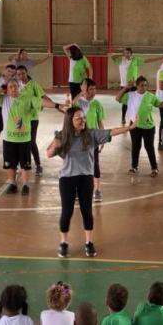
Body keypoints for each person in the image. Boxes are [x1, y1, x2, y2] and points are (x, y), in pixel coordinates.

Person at [47, 107, 135, 258]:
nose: (83, 121)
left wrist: (129, 127)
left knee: (86, 211)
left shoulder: (91, 134)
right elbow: (49, 154)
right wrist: (55, 144)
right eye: (79, 119)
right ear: (70, 121)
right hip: (67, 179)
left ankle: (88, 243)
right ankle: (64, 243)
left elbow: (111, 131)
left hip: (86, 178)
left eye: (84, 118)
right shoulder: (62, 136)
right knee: (66, 212)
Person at [0, 78, 64, 195]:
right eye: (10, 87)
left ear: (19, 87)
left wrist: (56, 105)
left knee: (25, 164)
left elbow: (42, 102)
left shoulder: (28, 98)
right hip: (8, 139)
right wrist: (2, 87)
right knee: (10, 164)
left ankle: (25, 185)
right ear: (7, 90)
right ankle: (12, 184)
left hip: (24, 139)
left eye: (15, 86)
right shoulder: (3, 99)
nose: (13, 89)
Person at [116, 76, 163, 177]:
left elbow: (159, 104)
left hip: (148, 127)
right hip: (134, 126)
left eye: (146, 85)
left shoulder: (150, 96)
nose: (144, 87)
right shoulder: (130, 95)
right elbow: (117, 98)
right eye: (142, 85)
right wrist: (125, 88)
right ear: (137, 86)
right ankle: (134, 167)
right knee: (135, 147)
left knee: (149, 147)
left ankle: (154, 168)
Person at [16, 65, 63, 176]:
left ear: (27, 73)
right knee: (20, 141)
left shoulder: (34, 85)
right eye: (18, 74)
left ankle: (38, 165)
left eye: (23, 73)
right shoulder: (16, 86)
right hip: (20, 119)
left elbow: (43, 97)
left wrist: (56, 106)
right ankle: (22, 163)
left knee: (31, 142)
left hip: (32, 118)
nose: (21, 76)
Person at [71, 78, 106, 202]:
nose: (94, 91)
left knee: (94, 164)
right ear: (85, 90)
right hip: (79, 139)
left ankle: (97, 190)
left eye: (94, 88)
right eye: (91, 89)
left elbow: (100, 123)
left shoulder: (97, 104)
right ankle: (77, 190)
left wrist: (103, 139)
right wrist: (82, 91)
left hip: (93, 139)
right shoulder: (78, 103)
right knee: (79, 165)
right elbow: (72, 104)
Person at [111, 48, 162, 125]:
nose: (126, 54)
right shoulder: (120, 60)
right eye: (125, 53)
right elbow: (112, 57)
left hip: (134, 84)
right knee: (124, 102)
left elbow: (146, 61)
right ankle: (123, 117)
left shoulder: (135, 60)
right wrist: (122, 55)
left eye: (128, 53)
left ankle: (134, 118)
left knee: (134, 102)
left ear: (131, 54)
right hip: (124, 85)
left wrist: (160, 58)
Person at [0, 64, 17, 154]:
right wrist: (9, 61)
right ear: (5, 70)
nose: (10, 74)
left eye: (12, 73)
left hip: (9, 106)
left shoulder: (12, 82)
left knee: (11, 125)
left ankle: (11, 142)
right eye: (8, 71)